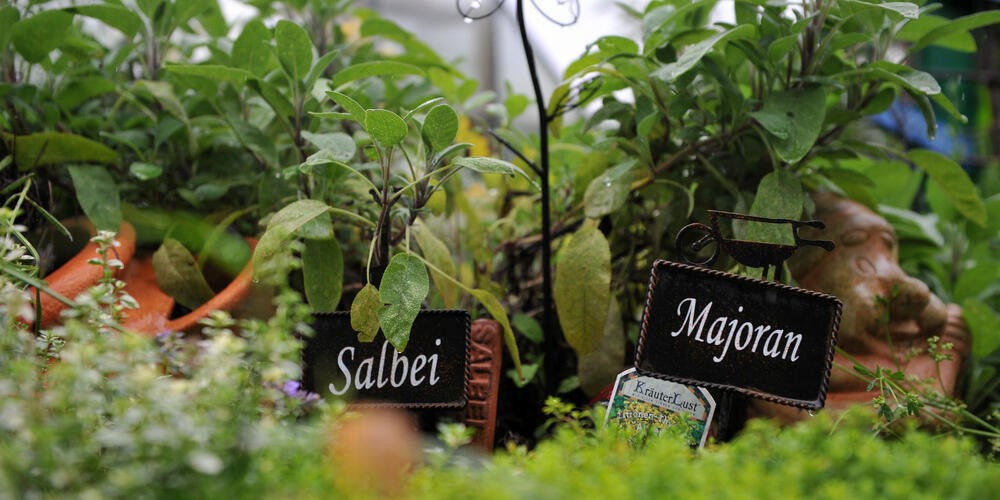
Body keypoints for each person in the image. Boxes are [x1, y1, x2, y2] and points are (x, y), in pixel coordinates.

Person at [753, 192, 970, 423]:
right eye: (854, 241)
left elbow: (931, 405)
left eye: (887, 246)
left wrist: (946, 349)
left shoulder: (902, 345)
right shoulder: (780, 349)